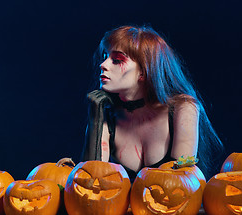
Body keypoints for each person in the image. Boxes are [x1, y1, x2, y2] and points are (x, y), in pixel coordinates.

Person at [82, 25, 223, 181]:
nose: (103, 65)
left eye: (116, 60)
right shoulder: (107, 113)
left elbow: (183, 181)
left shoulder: (183, 108)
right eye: (104, 56)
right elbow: (89, 180)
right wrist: (95, 118)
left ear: (143, 71)